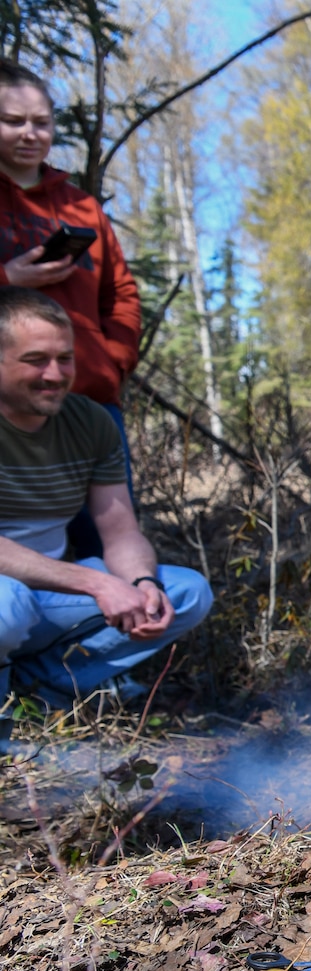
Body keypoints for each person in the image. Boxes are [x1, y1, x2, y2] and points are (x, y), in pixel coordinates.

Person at [0, 287, 211, 708]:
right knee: (9, 603)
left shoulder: (90, 421)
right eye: (36, 360)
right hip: (11, 597)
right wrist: (97, 584)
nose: (56, 375)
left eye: (65, 359)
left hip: (47, 593)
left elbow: (120, 533)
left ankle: (34, 691)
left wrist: (142, 583)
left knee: (187, 592)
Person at [0, 61, 142, 562]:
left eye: (40, 122)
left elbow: (121, 295)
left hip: (89, 402)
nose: (29, 134)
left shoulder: (81, 207)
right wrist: (8, 280)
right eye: (13, 121)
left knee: (108, 543)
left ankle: (116, 637)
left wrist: (112, 361)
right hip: (9, 407)